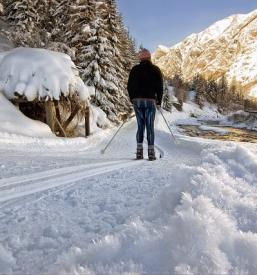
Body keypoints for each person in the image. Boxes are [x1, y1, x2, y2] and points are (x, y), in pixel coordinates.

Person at [127, 48, 163, 161]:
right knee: (149, 127)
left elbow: (129, 86)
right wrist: (159, 101)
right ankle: (151, 154)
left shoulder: (134, 69)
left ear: (140, 58)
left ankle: (139, 153)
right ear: (149, 58)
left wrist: (132, 98)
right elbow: (160, 87)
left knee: (140, 126)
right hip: (150, 101)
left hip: (137, 101)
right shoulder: (155, 69)